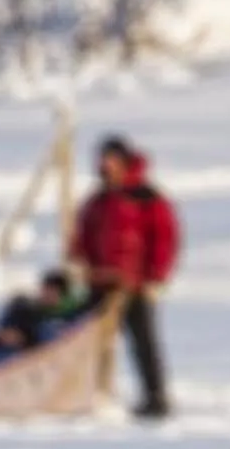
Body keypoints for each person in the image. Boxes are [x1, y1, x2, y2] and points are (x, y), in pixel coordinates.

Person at [68, 136, 180, 421]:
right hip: (100, 281)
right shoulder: (98, 199)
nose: (106, 165)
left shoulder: (147, 197)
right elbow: (83, 234)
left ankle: (155, 398)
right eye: (103, 159)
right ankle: (91, 394)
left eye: (111, 159)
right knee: (89, 341)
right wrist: (80, 262)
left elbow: (164, 238)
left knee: (143, 342)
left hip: (135, 283)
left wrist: (156, 275)